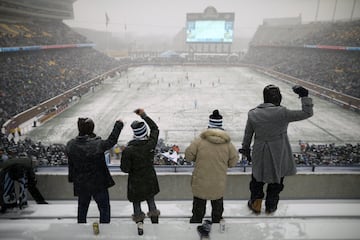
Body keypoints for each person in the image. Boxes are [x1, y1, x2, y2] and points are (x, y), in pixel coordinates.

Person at [241, 84, 313, 214]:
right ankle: (271, 206)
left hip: (259, 149)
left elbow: (248, 134)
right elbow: (307, 113)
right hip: (279, 150)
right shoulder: (283, 113)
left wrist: (245, 149)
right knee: (277, 180)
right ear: (279, 97)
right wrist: (304, 96)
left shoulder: (253, 113)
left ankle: (256, 204)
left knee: (257, 179)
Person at [185, 109, 239, 223]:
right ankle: (217, 221)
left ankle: (196, 221)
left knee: (199, 206)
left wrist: (198, 159)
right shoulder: (228, 144)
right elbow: (233, 162)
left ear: (209, 125)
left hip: (200, 181)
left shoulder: (199, 141)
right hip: (218, 182)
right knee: (217, 205)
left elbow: (188, 156)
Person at [66, 117, 124, 223]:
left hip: (81, 183)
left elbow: (71, 164)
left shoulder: (71, 145)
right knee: (104, 208)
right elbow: (112, 141)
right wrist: (118, 125)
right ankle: (105, 229)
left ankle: (81, 228)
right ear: (92, 129)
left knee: (82, 209)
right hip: (99, 183)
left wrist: (71, 178)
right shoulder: (97, 144)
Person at [120, 108, 160, 226]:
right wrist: (144, 116)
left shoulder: (128, 150)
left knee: (136, 204)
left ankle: (139, 226)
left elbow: (125, 169)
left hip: (135, 182)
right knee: (151, 201)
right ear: (145, 133)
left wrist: (125, 155)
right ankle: (155, 224)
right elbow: (155, 128)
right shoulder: (150, 144)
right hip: (149, 179)